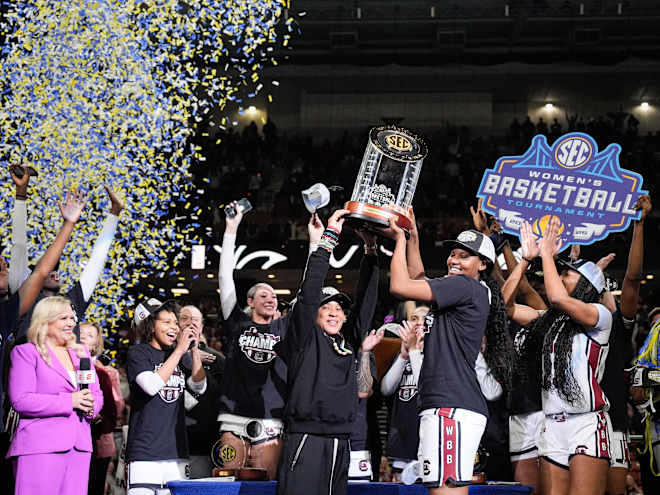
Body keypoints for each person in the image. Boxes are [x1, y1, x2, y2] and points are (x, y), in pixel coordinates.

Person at [383, 216, 506, 495]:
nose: (454, 260)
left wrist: (399, 240)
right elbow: (418, 279)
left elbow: (400, 286)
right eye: (453, 253)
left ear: (483, 264)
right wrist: (413, 237)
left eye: (465, 256)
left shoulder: (465, 286)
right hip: (448, 406)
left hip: (452, 408)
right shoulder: (466, 291)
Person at [274, 210, 381, 495]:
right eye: (327, 307)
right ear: (313, 314)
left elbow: (366, 303)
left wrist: (370, 251)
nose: (334, 312)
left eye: (338, 309)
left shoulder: (346, 343)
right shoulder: (303, 339)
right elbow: (309, 293)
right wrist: (326, 241)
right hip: (306, 438)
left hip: (340, 440)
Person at [506, 219, 612, 495]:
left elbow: (557, 298)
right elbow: (505, 309)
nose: (562, 277)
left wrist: (547, 255)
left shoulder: (600, 316)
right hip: (552, 423)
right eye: (562, 272)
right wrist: (526, 261)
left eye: (569, 274)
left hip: (586, 422)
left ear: (587, 285)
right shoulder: (550, 320)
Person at [7, 296, 104, 495]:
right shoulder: (26, 352)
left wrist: (91, 406)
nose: (71, 323)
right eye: (63, 318)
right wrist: (71, 400)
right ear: (45, 320)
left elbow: (96, 393)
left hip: (80, 446)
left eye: (72, 318)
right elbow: (21, 399)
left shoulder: (81, 353)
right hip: (40, 447)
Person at [13, 183, 124, 343]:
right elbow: (19, 248)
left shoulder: (72, 302)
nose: (54, 273)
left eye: (56, 269)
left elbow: (95, 263)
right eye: (50, 269)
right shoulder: (26, 302)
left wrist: (114, 213)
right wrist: (21, 196)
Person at [125, 299, 206, 494]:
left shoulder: (179, 355)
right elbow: (151, 386)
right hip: (144, 452)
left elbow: (199, 387)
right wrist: (179, 350)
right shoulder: (138, 353)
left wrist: (194, 352)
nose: (174, 327)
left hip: (176, 451)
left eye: (175, 323)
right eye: (166, 322)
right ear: (151, 326)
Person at [600, 195, 651, 495]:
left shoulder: (617, 326)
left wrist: (638, 224)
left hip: (613, 424)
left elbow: (632, 279)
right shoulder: (568, 323)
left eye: (610, 293)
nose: (608, 297)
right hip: (570, 426)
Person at [381, 308, 428, 480]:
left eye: (423, 318)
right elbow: (386, 389)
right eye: (414, 318)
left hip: (425, 439)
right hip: (402, 438)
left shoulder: (437, 352)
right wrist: (402, 356)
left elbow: (425, 387)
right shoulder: (401, 353)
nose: (417, 322)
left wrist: (415, 351)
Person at [80, 321, 125, 495]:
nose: (83, 337)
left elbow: (116, 407)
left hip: (99, 440)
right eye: (81, 332)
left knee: (94, 486)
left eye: (89, 335)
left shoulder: (105, 373)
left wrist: (97, 415)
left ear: (96, 344)